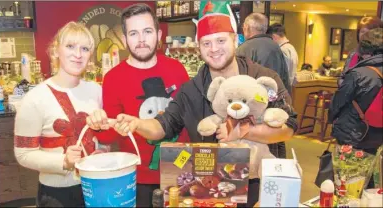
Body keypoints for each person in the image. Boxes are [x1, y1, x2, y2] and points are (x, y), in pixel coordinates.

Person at [88, 2, 297, 206]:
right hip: (210, 190)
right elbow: (163, 125)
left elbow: (288, 128)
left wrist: (242, 130)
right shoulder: (191, 90)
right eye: (206, 43)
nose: (214, 49)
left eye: (221, 40)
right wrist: (136, 123)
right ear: (199, 47)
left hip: (260, 184)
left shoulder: (263, 78)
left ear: (235, 39)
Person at [86, 3, 190, 207]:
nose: (141, 40)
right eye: (133, 33)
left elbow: (187, 118)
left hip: (181, 171)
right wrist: (98, 124)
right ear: (124, 40)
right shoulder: (114, 78)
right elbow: (108, 136)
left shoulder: (177, 69)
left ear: (158, 35)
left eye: (147, 31)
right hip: (137, 177)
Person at [14, 21, 108, 207]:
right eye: (70, 46)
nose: (78, 54)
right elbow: (23, 153)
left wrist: (103, 149)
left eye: (85, 48)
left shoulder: (96, 90)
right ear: (56, 50)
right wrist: (63, 161)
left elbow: (102, 137)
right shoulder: (35, 98)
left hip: (96, 185)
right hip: (56, 195)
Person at [328, 28, 383, 188]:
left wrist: (333, 120)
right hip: (378, 135)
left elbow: (337, 103)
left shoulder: (359, 74)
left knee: (346, 179)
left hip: (352, 134)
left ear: (365, 50)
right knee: (372, 179)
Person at [236, 13, 290, 94]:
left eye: (243, 27)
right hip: (276, 98)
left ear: (247, 28)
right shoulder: (276, 46)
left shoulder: (243, 49)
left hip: (254, 100)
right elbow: (285, 77)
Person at [338, 16, 382, 86]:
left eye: (369, 32)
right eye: (362, 32)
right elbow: (342, 77)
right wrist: (348, 86)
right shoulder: (353, 54)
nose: (365, 35)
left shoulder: (380, 57)